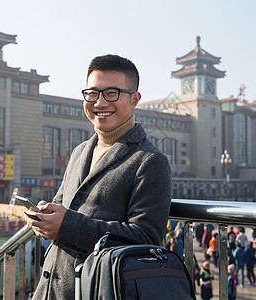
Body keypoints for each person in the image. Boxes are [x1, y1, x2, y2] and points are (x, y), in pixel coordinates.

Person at [24, 54, 172, 299]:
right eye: (92, 93)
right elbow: (64, 205)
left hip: (98, 291)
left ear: (134, 99)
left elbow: (147, 238)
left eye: (111, 93)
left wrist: (67, 226)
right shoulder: (80, 151)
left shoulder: (149, 161)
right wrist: (44, 215)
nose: (100, 103)